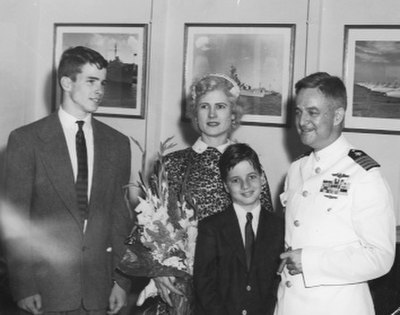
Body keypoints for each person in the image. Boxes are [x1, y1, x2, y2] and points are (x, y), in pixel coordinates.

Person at [3, 46, 132, 315]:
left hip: (100, 292)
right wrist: (23, 286)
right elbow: (14, 220)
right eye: (91, 81)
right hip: (45, 291)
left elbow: (120, 218)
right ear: (66, 82)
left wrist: (122, 280)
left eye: (103, 83)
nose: (100, 90)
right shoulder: (26, 141)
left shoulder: (118, 144)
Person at [137, 73, 274, 310]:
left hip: (234, 292)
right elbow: (144, 227)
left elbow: (265, 235)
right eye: (204, 106)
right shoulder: (171, 164)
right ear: (194, 113)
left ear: (233, 114)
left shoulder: (249, 168)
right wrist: (158, 271)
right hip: (180, 289)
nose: (212, 115)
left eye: (220, 106)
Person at [274, 72, 396, 315]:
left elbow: (380, 257)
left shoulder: (363, 174)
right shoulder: (297, 169)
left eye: (313, 112)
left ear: (338, 115)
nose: (302, 121)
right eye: (298, 112)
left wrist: (310, 262)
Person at [194, 143, 284, 315]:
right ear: (226, 186)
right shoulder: (211, 227)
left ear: (262, 178)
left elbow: (276, 282)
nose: (245, 186)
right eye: (236, 180)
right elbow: (204, 284)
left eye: (251, 177)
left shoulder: (279, 227)